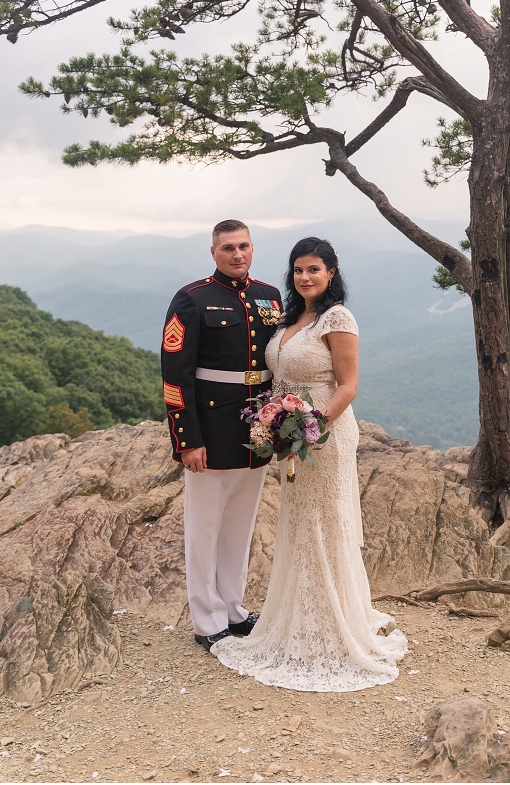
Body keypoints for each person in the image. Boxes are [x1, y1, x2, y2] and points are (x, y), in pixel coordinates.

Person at [212, 237, 408, 691]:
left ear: (332, 273)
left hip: (325, 430)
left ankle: (332, 622)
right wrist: (276, 423)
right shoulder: (291, 316)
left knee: (323, 522)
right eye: (298, 269)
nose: (305, 277)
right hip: (291, 432)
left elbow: (349, 384)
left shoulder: (338, 318)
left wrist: (311, 426)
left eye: (314, 270)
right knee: (300, 522)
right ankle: (300, 615)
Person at [161, 218, 282, 653]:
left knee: (239, 527)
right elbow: (176, 377)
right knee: (205, 528)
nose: (237, 254)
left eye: (244, 246)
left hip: (257, 433)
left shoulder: (269, 296)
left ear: (253, 248)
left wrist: (282, 425)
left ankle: (232, 606)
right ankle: (205, 617)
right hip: (210, 432)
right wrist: (187, 440)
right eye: (228, 247)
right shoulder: (192, 299)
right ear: (213, 252)